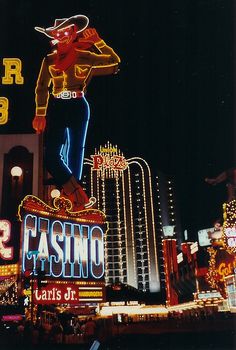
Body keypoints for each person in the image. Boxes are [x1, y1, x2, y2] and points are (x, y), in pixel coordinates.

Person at [32, 14, 120, 210]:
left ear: (73, 33)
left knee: (75, 152)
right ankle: (76, 192)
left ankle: (74, 198)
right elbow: (41, 86)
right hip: (56, 105)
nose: (61, 35)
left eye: (65, 31)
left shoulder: (84, 55)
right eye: (57, 32)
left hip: (78, 104)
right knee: (51, 155)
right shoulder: (49, 60)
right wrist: (40, 112)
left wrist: (99, 42)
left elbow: (114, 63)